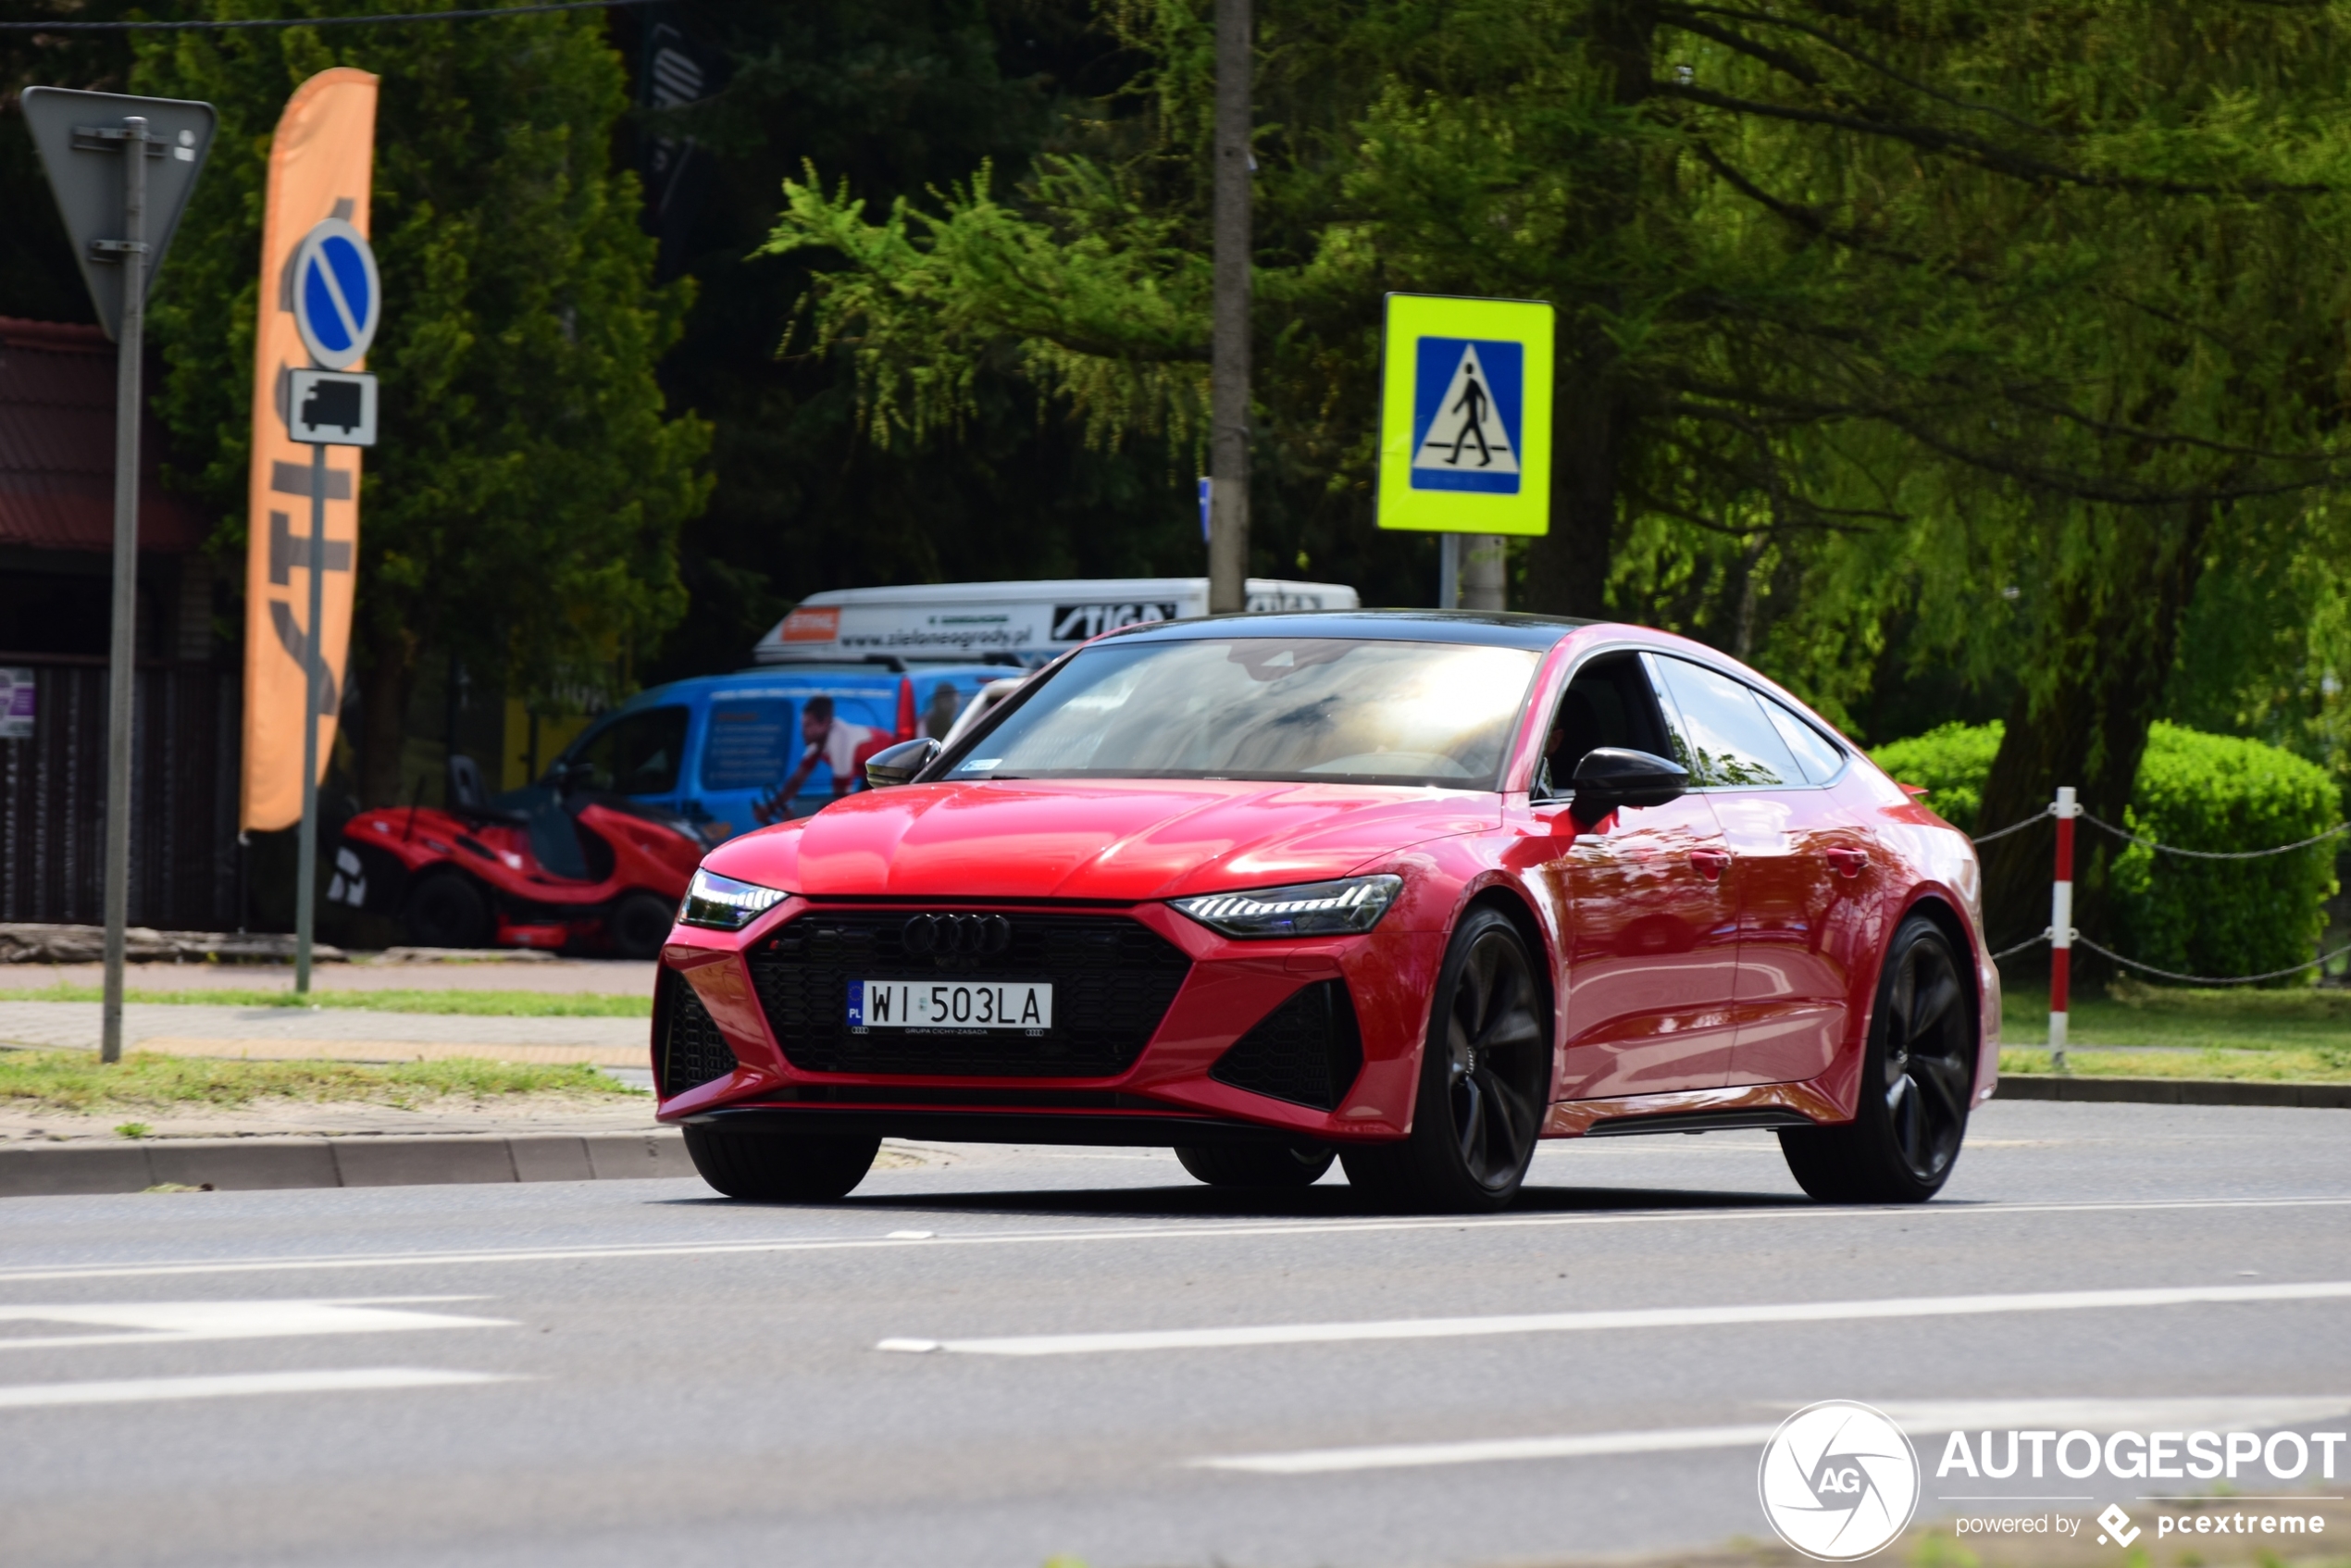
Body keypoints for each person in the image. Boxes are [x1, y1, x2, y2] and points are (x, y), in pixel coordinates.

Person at [753, 697, 885, 823]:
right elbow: (796, 781)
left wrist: (798, 816)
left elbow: (841, 796)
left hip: (890, 771)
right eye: (803, 725)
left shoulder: (840, 739)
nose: (804, 731)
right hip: (874, 775)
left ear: (825, 723)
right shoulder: (818, 742)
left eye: (809, 725)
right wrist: (770, 808)